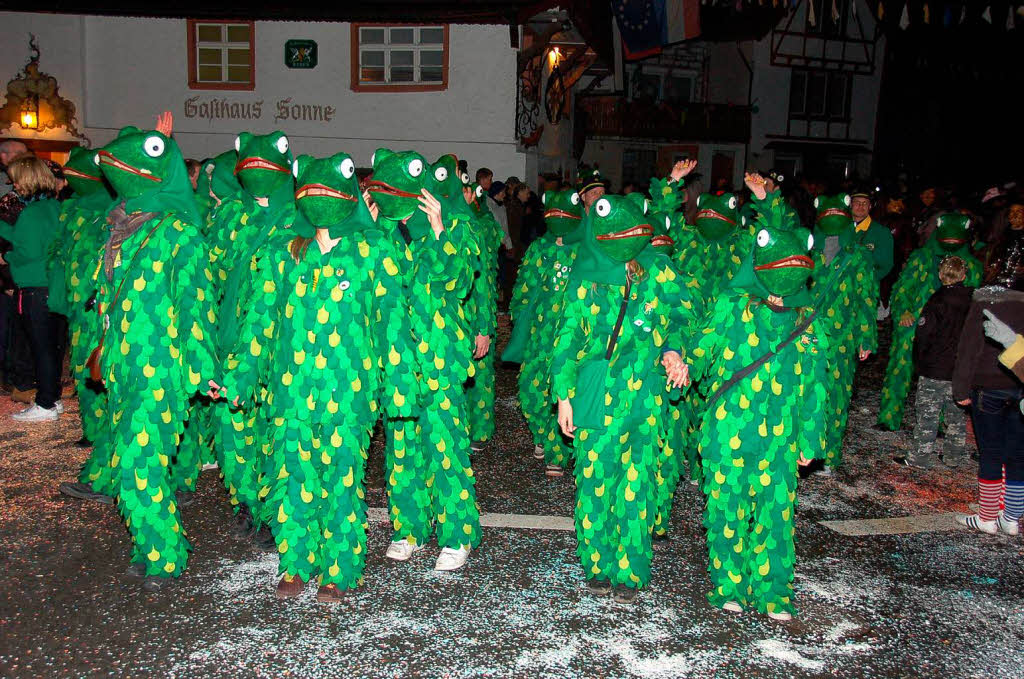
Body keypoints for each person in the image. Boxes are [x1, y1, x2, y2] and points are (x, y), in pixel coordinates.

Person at [688, 174, 829, 620]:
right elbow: (704, 344)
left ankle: (773, 592)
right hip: (730, 429)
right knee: (727, 509)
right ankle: (728, 582)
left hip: (780, 437)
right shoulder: (734, 305)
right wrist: (682, 363)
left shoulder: (809, 324)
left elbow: (815, 391)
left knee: (775, 514)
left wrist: (809, 440)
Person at [551, 193, 689, 605]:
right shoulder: (585, 275)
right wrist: (563, 397)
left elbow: (683, 316)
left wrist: (673, 350)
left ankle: (629, 568)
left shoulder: (657, 271)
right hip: (597, 394)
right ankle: (598, 562)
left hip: (645, 398)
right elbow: (568, 340)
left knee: (637, 481)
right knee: (595, 482)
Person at [952, 285, 1024, 537]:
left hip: (988, 386)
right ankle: (1011, 519)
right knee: (1017, 455)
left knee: (991, 453)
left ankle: (987, 518)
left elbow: (969, 348)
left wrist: (960, 388)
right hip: (1020, 384)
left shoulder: (987, 299)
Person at [0, 155, 64, 422]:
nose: (12, 185)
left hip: (35, 286)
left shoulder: (30, 214)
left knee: (40, 348)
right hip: (55, 286)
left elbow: (26, 252)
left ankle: (46, 404)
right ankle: (53, 398)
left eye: (14, 179)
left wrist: (7, 258)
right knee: (54, 346)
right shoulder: (54, 207)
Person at [901, 256, 973, 469]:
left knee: (927, 415)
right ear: (964, 275)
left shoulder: (937, 301)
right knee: (956, 416)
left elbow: (924, 335)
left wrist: (919, 362)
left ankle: (920, 457)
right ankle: (953, 456)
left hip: (935, 369)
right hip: (960, 370)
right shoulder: (973, 301)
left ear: (941, 275)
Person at [850, 188, 895, 282]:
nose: (861, 206)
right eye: (857, 202)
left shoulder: (881, 232)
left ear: (870, 206)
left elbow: (885, 265)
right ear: (850, 205)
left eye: (865, 203)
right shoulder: (842, 229)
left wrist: (867, 280)